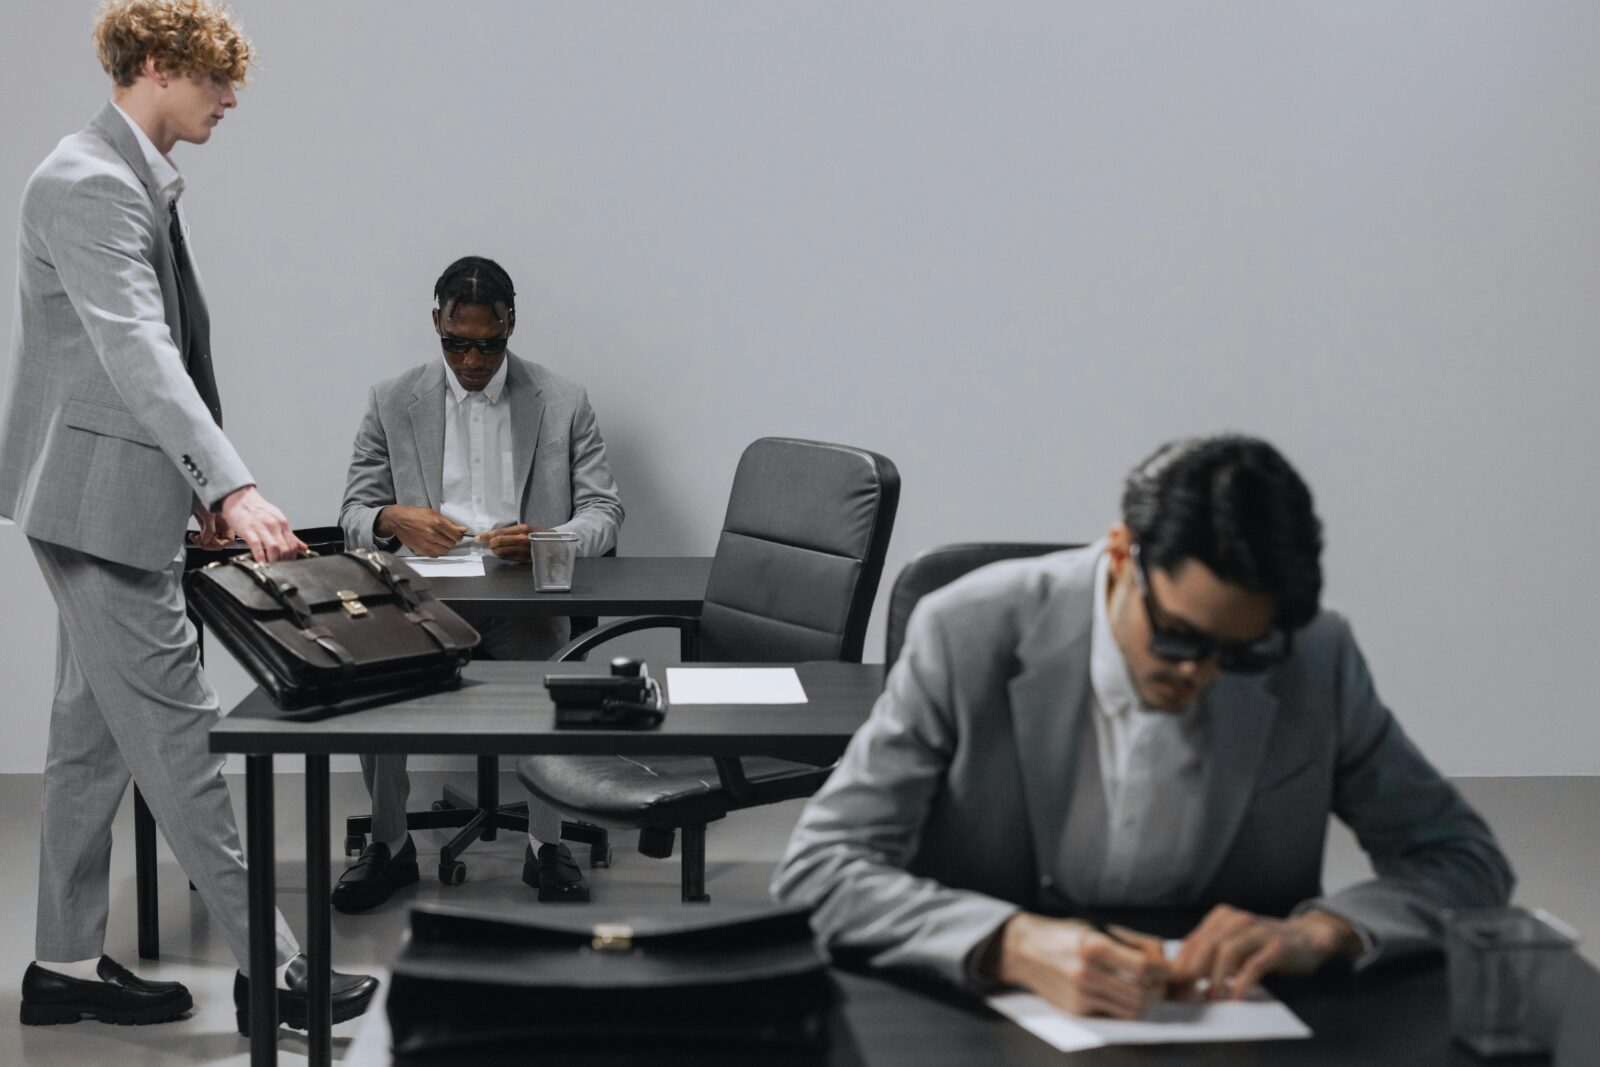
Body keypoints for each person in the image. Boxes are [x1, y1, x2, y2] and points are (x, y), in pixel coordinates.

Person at [773, 435, 1513, 1019]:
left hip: (1229, 1025)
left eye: (1240, 652)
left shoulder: (1315, 656)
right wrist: (1009, 941)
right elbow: (820, 868)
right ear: (1124, 553)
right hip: (982, 1021)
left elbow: (1462, 859)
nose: (1202, 673)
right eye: (1180, 636)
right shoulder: (965, 630)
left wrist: (1319, 932)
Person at [0, 0, 377, 1033]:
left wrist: (195, 491)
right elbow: (136, 349)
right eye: (217, 78)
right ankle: (277, 970)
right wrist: (229, 485)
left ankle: (62, 964)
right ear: (160, 65)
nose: (232, 98)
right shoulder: (89, 182)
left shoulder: (129, 177)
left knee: (90, 737)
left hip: (107, 496)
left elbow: (150, 356)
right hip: (97, 508)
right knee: (183, 736)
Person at [336, 255, 623, 908]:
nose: (471, 360)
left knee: (553, 678)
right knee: (374, 681)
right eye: (456, 343)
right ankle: (390, 845)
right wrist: (391, 519)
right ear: (436, 324)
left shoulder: (562, 400)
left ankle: (546, 846)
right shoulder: (392, 400)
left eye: (488, 345)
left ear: (510, 324)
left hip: (521, 597)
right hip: (423, 599)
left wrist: (549, 539)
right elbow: (353, 514)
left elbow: (605, 511)